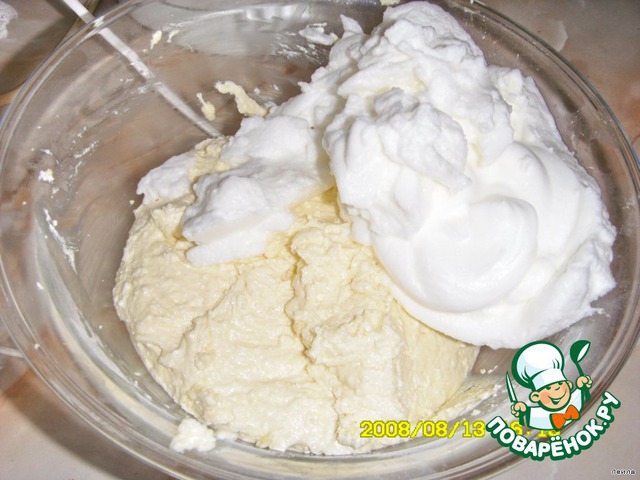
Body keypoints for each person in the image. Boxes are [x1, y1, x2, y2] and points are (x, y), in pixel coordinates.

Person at [510, 341, 592, 430]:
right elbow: (523, 422)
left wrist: (583, 385)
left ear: (569, 385)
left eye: (560, 384)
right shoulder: (539, 416)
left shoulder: (575, 400)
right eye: (548, 388)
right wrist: (521, 411)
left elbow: (587, 394)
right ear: (535, 397)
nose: (556, 390)